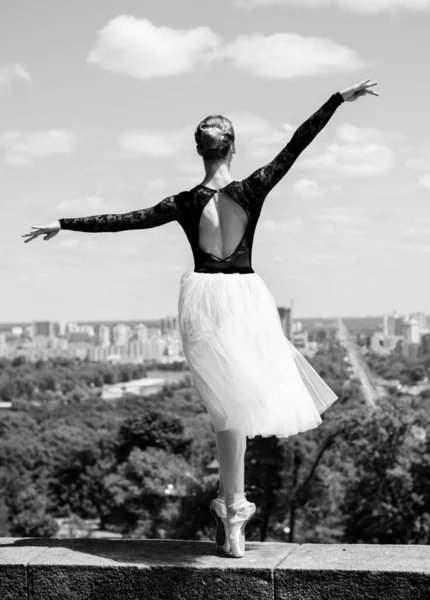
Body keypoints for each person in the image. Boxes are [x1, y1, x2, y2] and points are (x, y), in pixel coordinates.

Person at [22, 78, 379, 558]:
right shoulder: (253, 188)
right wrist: (339, 99)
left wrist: (64, 224)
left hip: (204, 300)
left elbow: (125, 219)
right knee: (239, 406)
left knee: (224, 412)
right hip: (246, 297)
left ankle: (233, 509)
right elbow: (298, 141)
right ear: (233, 148)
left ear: (198, 151)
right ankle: (235, 513)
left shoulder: (184, 203)